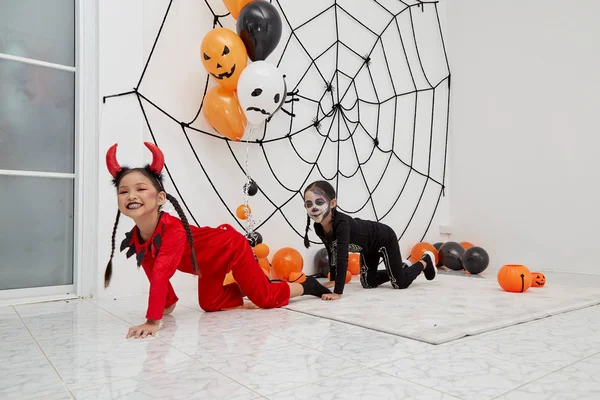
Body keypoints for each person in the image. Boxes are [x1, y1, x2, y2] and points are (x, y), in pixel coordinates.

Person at [104, 142, 331, 338]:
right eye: (123, 192)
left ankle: (305, 286)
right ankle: (250, 284)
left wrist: (152, 321)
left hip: (228, 247)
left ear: (161, 198)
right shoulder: (136, 238)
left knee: (264, 299)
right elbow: (154, 274)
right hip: (207, 265)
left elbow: (161, 273)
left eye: (141, 189)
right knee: (210, 305)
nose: (131, 196)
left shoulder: (171, 230)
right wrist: (167, 303)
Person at [302, 180, 436, 300]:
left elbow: (342, 258)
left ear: (332, 203)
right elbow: (332, 251)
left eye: (319, 202)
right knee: (368, 283)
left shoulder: (341, 224)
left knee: (399, 283)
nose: (314, 207)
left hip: (383, 239)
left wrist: (338, 291)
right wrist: (334, 279)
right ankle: (401, 267)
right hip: (367, 248)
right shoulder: (319, 227)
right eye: (309, 204)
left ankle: (424, 262)